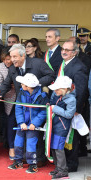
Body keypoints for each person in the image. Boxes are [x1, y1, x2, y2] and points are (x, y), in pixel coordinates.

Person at [0, 44, 55, 166]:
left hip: (37, 105)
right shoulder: (12, 69)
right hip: (22, 105)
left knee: (36, 132)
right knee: (23, 130)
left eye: (15, 56)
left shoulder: (38, 63)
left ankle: (39, 159)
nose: (12, 59)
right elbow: (5, 84)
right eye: (11, 56)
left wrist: (35, 84)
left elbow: (51, 75)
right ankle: (25, 158)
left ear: (23, 55)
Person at [8, 73, 49, 173]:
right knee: (18, 142)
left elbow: (43, 111)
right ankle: (18, 161)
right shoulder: (21, 92)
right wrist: (21, 122)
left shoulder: (42, 95)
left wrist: (34, 123)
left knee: (31, 144)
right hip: (22, 124)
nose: (21, 85)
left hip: (33, 126)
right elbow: (18, 108)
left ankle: (32, 164)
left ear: (28, 86)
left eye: (22, 84)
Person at [59, 40, 88, 172]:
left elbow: (81, 91)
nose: (64, 52)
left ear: (74, 53)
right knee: (65, 134)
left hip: (73, 109)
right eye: (63, 49)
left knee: (72, 137)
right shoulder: (64, 63)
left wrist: (76, 109)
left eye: (67, 50)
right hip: (63, 106)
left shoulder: (79, 67)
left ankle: (71, 164)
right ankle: (64, 162)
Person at [48, 76, 76, 179]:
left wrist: (55, 109)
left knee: (59, 148)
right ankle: (58, 168)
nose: (55, 90)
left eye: (57, 88)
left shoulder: (71, 99)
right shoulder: (56, 94)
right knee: (54, 147)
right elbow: (51, 103)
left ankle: (63, 171)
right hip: (54, 125)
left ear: (65, 89)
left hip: (62, 127)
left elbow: (69, 114)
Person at [0, 47, 16, 159]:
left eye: (9, 59)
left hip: (19, 97)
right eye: (4, 59)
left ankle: (14, 147)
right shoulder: (0, 66)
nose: (7, 61)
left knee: (15, 123)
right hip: (6, 97)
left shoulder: (17, 65)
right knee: (9, 123)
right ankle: (10, 147)